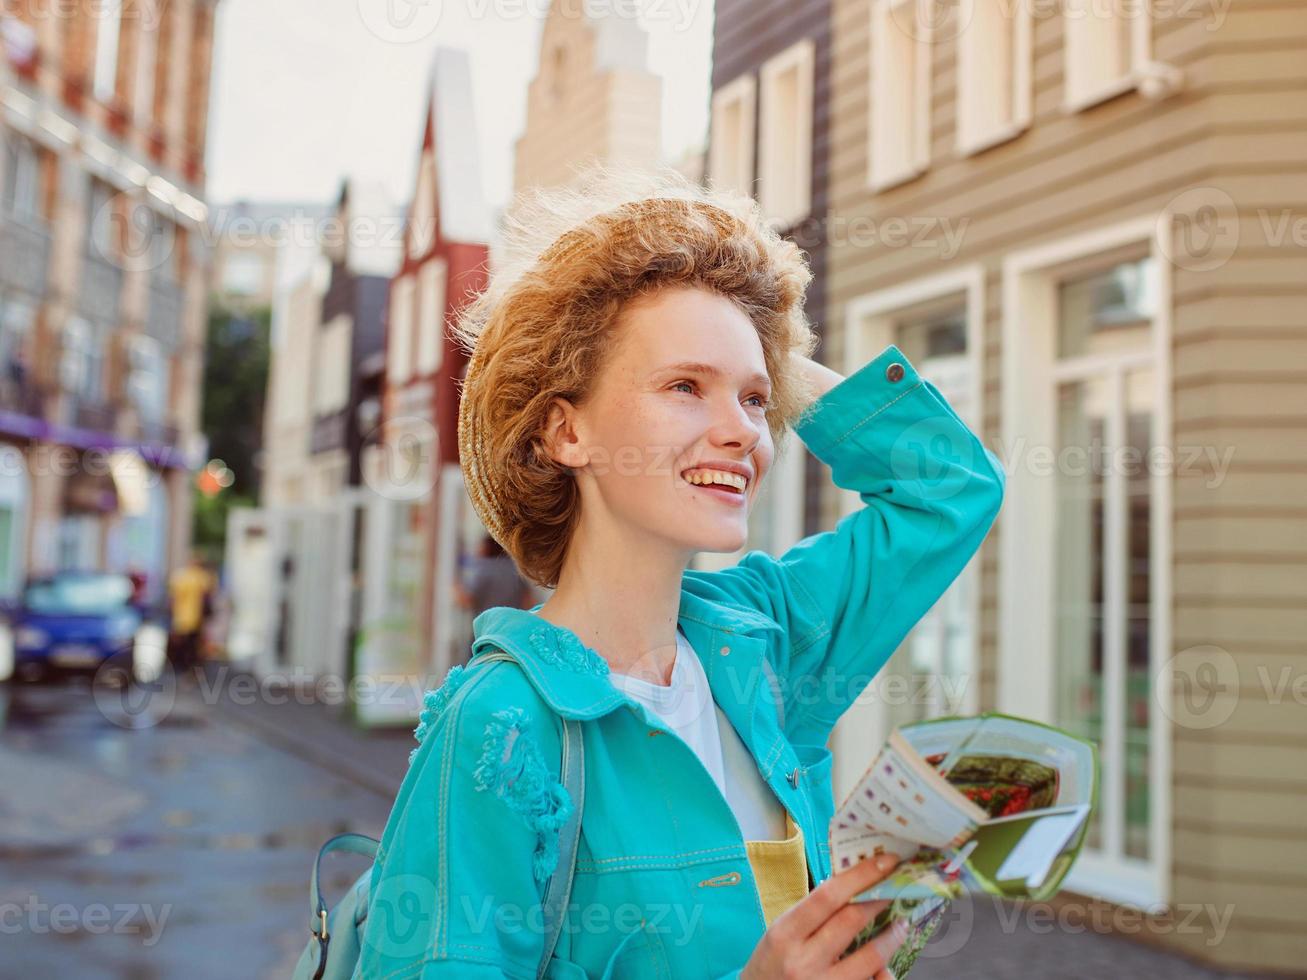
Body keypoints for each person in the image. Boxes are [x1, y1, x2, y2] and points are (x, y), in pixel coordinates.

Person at [355, 166, 1006, 978]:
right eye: (683, 387)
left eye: (754, 403)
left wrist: (757, 337)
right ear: (566, 431)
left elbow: (950, 490)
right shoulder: (500, 725)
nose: (740, 431)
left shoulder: (765, 641)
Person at [168, 551, 214, 678]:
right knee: (191, 645)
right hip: (193, 617)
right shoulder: (203, 577)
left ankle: (184, 668)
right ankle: (189, 668)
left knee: (185, 644)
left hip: (184, 617)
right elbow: (208, 597)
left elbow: (172, 598)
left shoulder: (181, 576)